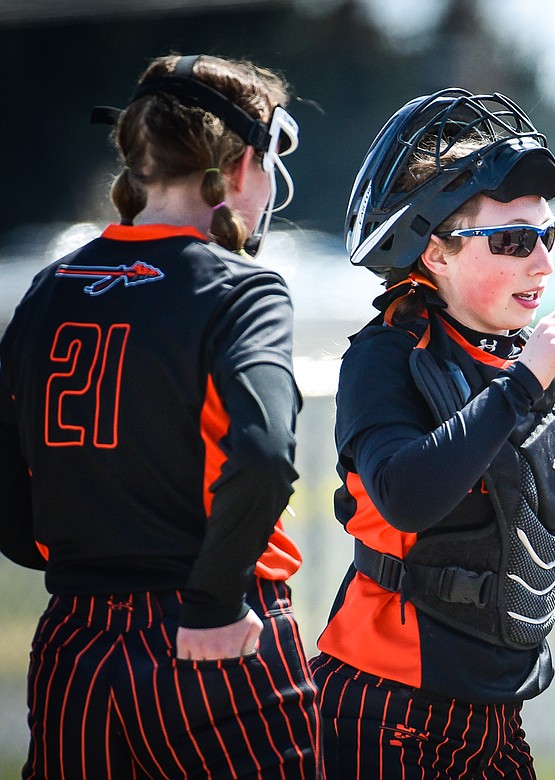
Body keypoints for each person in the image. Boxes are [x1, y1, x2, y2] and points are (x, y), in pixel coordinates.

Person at [311, 88, 555, 779]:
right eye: (515, 240)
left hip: (493, 720)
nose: (543, 263)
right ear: (435, 252)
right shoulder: (385, 356)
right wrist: (526, 380)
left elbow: (538, 536)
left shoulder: (519, 361)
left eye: (546, 236)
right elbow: (409, 494)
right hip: (385, 713)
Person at [0, 54, 318, 778]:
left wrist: (73, 565)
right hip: (215, 641)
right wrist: (212, 602)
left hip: (73, 644)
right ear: (242, 167)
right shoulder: (244, 290)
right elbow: (264, 455)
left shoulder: (49, 286)